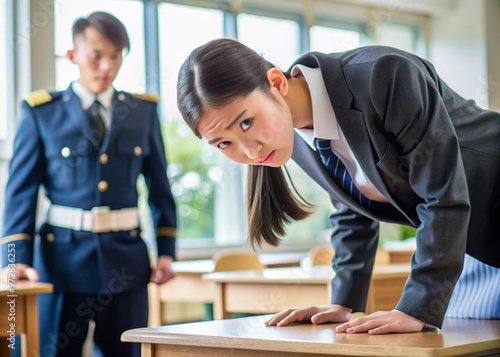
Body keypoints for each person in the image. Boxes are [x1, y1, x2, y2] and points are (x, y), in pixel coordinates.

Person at [176, 38, 500, 335]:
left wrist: (416, 308)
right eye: (223, 143)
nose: (250, 151)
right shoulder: (294, 137)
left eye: (246, 122)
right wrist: (343, 304)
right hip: (473, 238)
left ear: (276, 83)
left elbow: (441, 193)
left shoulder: (384, 74)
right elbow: (351, 212)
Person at [0, 12, 177, 356]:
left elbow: (159, 186)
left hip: (127, 261)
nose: (106, 65)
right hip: (61, 261)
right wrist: (14, 259)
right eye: (97, 54)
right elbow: (20, 192)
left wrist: (166, 251)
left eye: (116, 55)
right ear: (73, 56)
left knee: (127, 352)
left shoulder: (142, 111)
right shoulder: (41, 111)